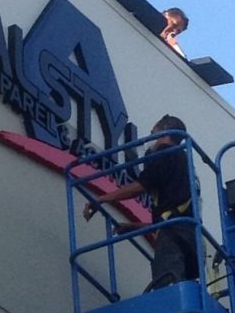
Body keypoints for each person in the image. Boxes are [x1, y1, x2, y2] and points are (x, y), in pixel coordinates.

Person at [83, 115, 198, 289]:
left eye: (154, 132)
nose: (150, 138)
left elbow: (141, 186)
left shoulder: (165, 153)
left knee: (168, 289)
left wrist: (102, 199)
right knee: (182, 290)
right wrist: (135, 227)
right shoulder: (184, 165)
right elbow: (172, 216)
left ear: (165, 132)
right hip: (189, 241)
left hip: (174, 237)